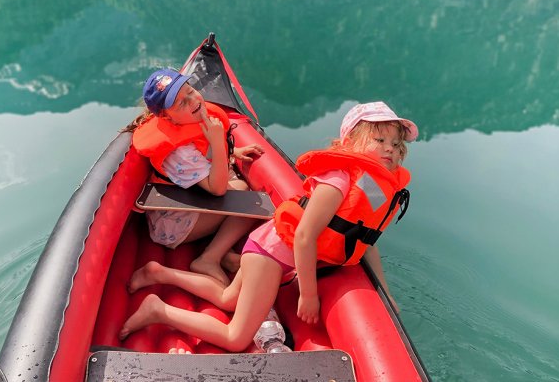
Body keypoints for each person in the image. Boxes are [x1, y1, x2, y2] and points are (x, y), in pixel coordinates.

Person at [119, 101, 418, 352]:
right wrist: (309, 295)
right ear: (351, 141)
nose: (389, 149)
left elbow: (367, 239)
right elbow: (304, 236)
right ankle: (159, 310)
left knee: (229, 299)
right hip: (270, 255)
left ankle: (159, 272)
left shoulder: (374, 185)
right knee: (236, 338)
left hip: (268, 247)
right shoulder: (339, 178)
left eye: (395, 143)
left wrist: (386, 291)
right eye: (379, 140)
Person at [125, 68, 264, 285]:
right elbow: (217, 189)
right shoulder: (178, 152)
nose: (192, 101)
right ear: (166, 117)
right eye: (181, 103)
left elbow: (204, 151)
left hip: (195, 201)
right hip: (174, 224)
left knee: (237, 186)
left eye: (190, 91)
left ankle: (221, 254)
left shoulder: (191, 120)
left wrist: (232, 152)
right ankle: (210, 258)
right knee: (246, 197)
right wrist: (218, 143)